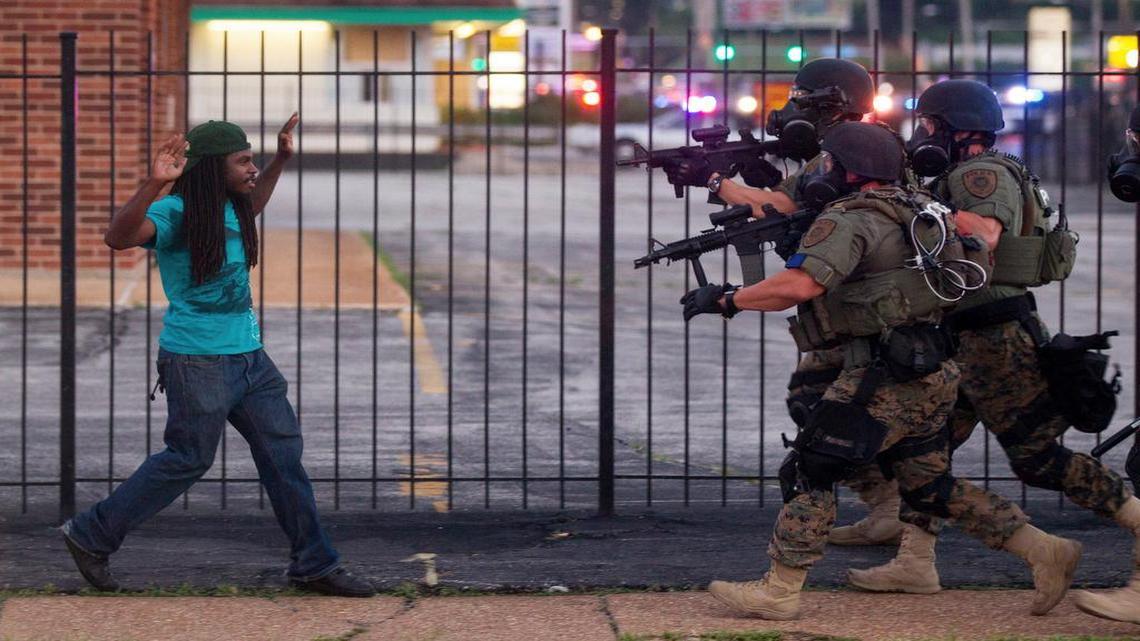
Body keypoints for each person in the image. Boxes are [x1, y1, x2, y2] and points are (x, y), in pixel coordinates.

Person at [682, 121, 1082, 621]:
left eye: (830, 163)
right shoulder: (923, 209)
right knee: (929, 488)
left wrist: (728, 299)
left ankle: (779, 591)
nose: (822, 171)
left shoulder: (851, 219)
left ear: (850, 171)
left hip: (881, 374)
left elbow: (800, 286)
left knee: (813, 465)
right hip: (933, 369)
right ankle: (1042, 549)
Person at [829, 79, 1140, 625]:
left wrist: (910, 207)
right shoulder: (959, 174)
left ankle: (1135, 520)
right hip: (963, 334)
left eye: (929, 126)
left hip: (996, 339)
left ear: (957, 129)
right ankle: (916, 562)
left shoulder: (982, 173)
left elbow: (985, 233)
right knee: (925, 451)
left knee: (1038, 458)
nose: (923, 135)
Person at [59, 117, 376, 598]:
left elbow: (255, 204)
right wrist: (154, 181)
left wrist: (281, 160)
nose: (252, 168)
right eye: (243, 161)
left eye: (252, 159)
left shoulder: (231, 206)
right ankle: (91, 534)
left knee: (283, 458)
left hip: (250, 358)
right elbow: (118, 237)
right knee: (187, 458)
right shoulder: (174, 212)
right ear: (212, 170)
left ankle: (315, 564)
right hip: (197, 360)